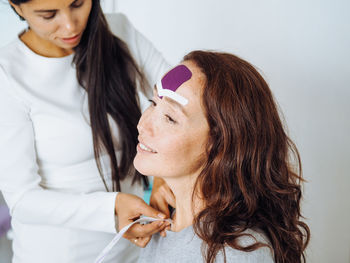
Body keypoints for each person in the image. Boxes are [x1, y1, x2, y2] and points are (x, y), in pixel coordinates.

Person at [0, 0, 172, 262]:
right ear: (16, 6)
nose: (70, 24)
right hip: (57, 253)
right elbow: (23, 200)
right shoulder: (7, 74)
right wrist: (111, 207)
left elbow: (180, 96)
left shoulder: (119, 30)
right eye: (48, 15)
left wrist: (163, 179)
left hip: (137, 249)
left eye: (78, 3)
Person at [134, 51, 310, 263]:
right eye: (152, 103)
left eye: (170, 118)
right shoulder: (158, 224)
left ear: (218, 144)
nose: (142, 125)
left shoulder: (237, 255)